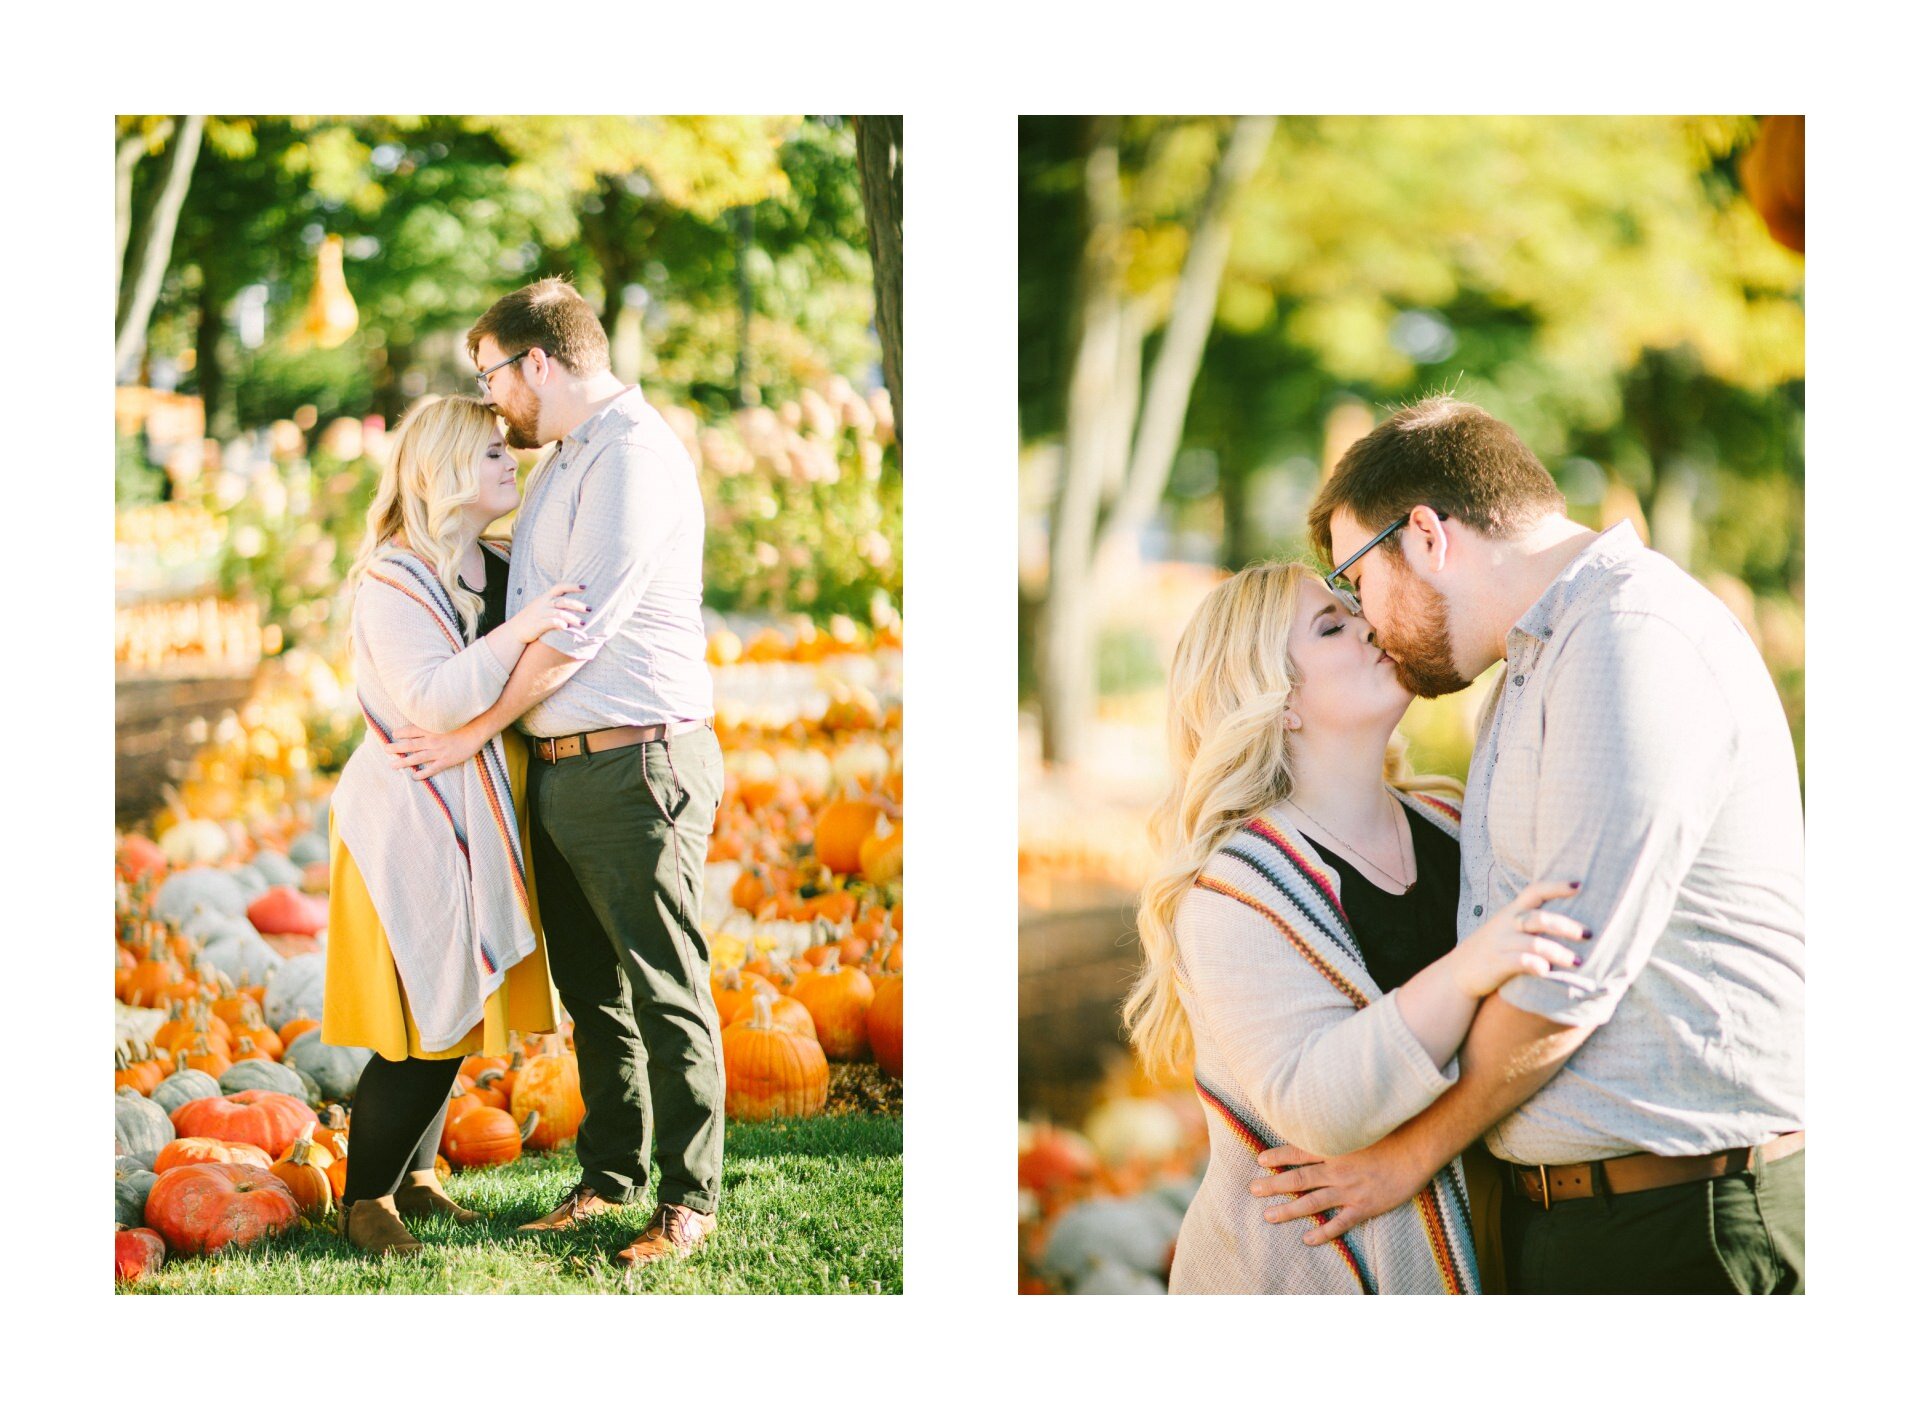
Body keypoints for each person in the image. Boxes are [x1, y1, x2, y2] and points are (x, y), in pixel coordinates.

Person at [1249, 396, 1805, 1295]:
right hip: (1596, 1220)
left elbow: (1563, 976)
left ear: (1426, 536)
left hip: (1681, 1230)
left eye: (1359, 577)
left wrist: (1404, 1160)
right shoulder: (1536, 664)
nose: (1369, 621)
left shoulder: (1629, 641)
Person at [382, 278, 727, 1266]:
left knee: (665, 986)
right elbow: (521, 599)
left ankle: (688, 1203)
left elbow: (576, 632)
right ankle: (610, 1178)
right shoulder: (567, 459)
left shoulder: (635, 459)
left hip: (636, 764)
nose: (491, 399)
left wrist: (470, 729)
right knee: (595, 993)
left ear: (539, 361)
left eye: (491, 374)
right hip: (565, 770)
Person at [1125, 562, 1585, 1293]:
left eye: (1353, 608)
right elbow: (1317, 1106)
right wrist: (1468, 971)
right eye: (1331, 626)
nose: (1371, 623)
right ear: (1276, 701)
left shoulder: (1457, 823)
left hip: (1510, 1246)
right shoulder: (1233, 894)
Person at [324, 395, 580, 1255]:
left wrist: (532, 621)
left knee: (458, 1011)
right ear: (442, 474)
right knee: (422, 1019)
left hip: (475, 800)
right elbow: (431, 699)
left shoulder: (496, 564)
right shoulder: (394, 582)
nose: (513, 460)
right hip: (408, 821)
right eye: (494, 452)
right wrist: (528, 630)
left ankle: (418, 1179)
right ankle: (366, 1204)